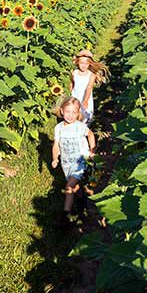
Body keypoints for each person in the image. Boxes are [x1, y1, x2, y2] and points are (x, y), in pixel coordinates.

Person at [51, 97, 95, 227]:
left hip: (79, 161)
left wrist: (92, 151)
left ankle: (65, 215)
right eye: (68, 112)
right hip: (66, 163)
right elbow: (56, 145)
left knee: (69, 187)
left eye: (74, 112)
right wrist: (55, 158)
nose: (70, 115)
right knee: (75, 186)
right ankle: (82, 202)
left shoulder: (79, 127)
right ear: (62, 111)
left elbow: (90, 135)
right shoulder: (58, 128)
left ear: (78, 114)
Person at [68, 49, 108, 126]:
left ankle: (84, 132)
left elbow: (89, 88)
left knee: (85, 117)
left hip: (86, 98)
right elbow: (72, 83)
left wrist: (85, 100)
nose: (84, 65)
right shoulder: (74, 73)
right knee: (73, 115)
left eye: (86, 63)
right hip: (75, 97)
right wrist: (70, 94)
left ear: (90, 64)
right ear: (77, 62)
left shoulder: (91, 75)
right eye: (82, 63)